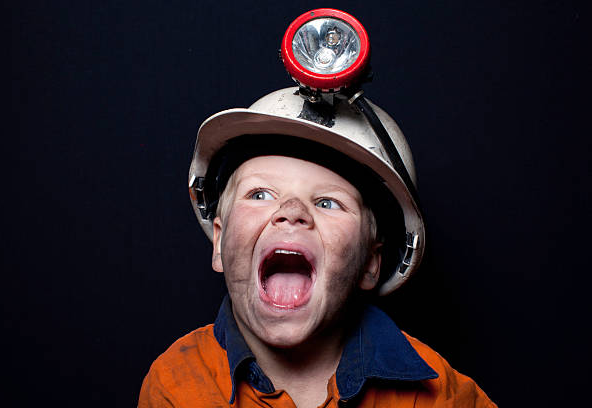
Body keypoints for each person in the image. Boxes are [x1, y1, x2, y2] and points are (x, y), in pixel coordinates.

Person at [137, 84, 497, 407]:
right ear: (219, 242)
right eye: (260, 194)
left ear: (371, 263)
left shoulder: (436, 394)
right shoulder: (177, 385)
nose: (292, 212)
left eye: (327, 202)